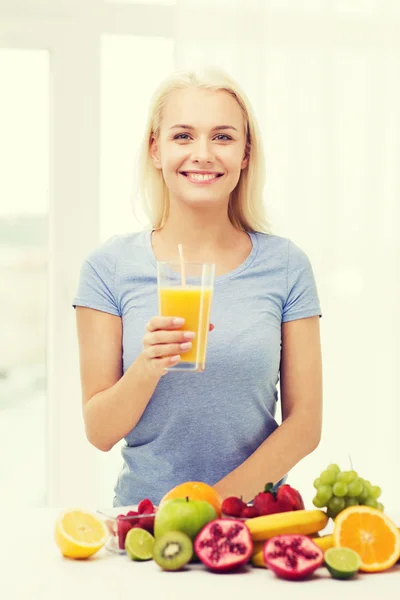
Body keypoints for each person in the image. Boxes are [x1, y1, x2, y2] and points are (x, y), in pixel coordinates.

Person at [72, 67, 323, 508]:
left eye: (223, 137)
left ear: (246, 153)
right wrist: (149, 366)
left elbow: (305, 424)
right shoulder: (108, 268)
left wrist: (208, 505)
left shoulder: (286, 266)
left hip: (255, 518)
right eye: (183, 136)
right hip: (145, 523)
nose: (203, 153)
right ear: (155, 149)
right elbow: (99, 432)